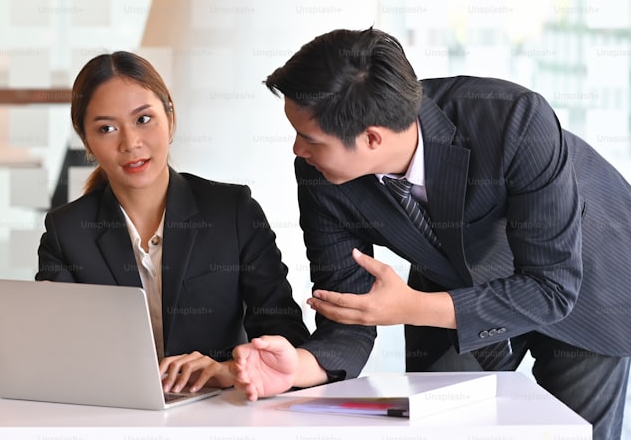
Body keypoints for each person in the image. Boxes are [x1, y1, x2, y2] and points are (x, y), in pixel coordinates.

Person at [232, 27, 631, 440]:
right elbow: (351, 310)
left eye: (308, 138)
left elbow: (551, 288)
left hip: (585, 284)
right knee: (437, 428)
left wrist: (411, 308)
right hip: (452, 282)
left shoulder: (514, 118)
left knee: (576, 434)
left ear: (371, 137)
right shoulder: (321, 175)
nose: (297, 150)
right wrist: (300, 366)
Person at [36, 51, 310, 394]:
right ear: (86, 141)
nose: (130, 143)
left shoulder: (232, 211)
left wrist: (227, 370)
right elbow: (57, 355)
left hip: (219, 413)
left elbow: (285, 336)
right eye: (106, 128)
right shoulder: (67, 232)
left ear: (170, 116)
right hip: (112, 414)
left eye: (143, 119)